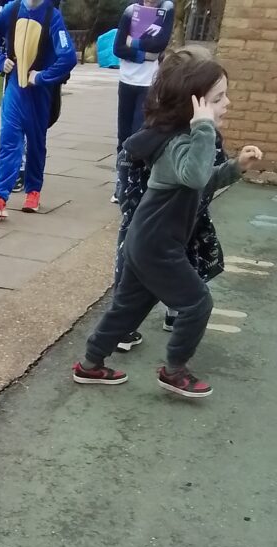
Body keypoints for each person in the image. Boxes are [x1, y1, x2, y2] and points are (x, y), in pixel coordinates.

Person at [71, 48, 262, 399]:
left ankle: (90, 364)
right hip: (157, 245)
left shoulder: (185, 142)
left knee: (128, 308)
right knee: (197, 303)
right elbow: (194, 175)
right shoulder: (178, 144)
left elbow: (204, 179)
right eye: (218, 99)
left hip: (149, 241)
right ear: (194, 106)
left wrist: (236, 167)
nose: (227, 104)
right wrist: (204, 127)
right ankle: (175, 370)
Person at [113, 122, 228, 353]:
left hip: (157, 216)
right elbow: (200, 182)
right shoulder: (199, 137)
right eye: (217, 99)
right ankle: (128, 328)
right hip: (163, 216)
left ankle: (166, 314)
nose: (226, 104)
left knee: (157, 250)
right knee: (170, 246)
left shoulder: (146, 137)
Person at [0, 0, 77, 218]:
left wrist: (42, 77)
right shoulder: (12, 9)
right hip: (15, 86)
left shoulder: (53, 16)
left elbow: (68, 57)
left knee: (35, 141)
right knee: (9, 139)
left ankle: (33, 191)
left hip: (39, 92)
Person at [111, 0, 175, 202]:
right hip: (126, 80)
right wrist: (145, 54)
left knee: (138, 133)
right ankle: (121, 182)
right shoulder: (131, 10)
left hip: (148, 82)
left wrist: (133, 42)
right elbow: (118, 47)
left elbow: (159, 45)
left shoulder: (166, 9)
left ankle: (136, 182)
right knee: (123, 135)